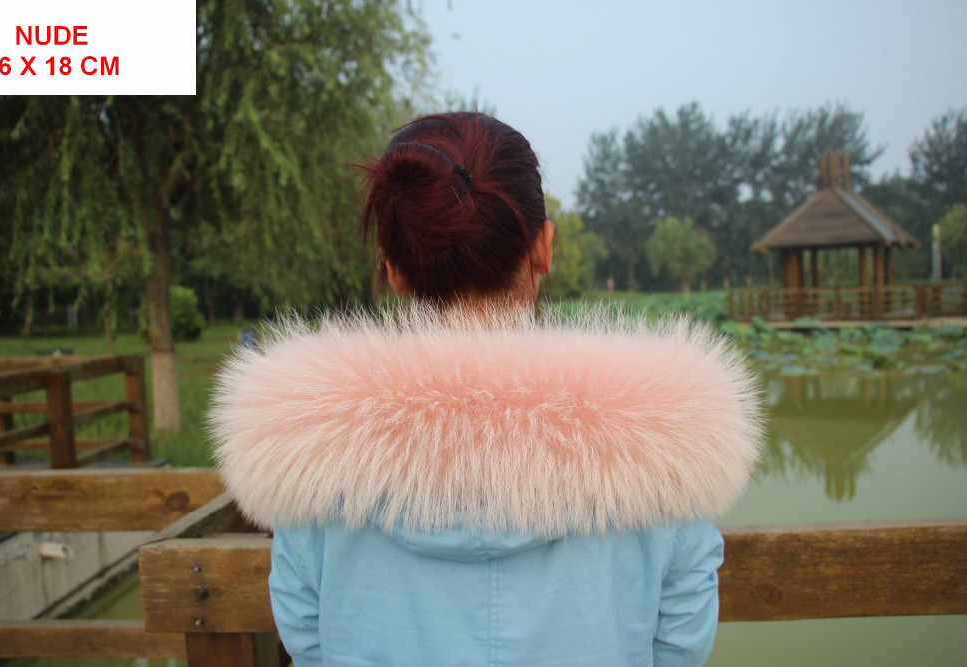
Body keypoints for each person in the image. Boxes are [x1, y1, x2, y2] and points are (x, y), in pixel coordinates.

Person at [210, 112, 763, 666]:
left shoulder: (309, 452)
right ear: (544, 248)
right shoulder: (660, 444)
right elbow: (679, 644)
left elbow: (310, 641)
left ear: (393, 266)